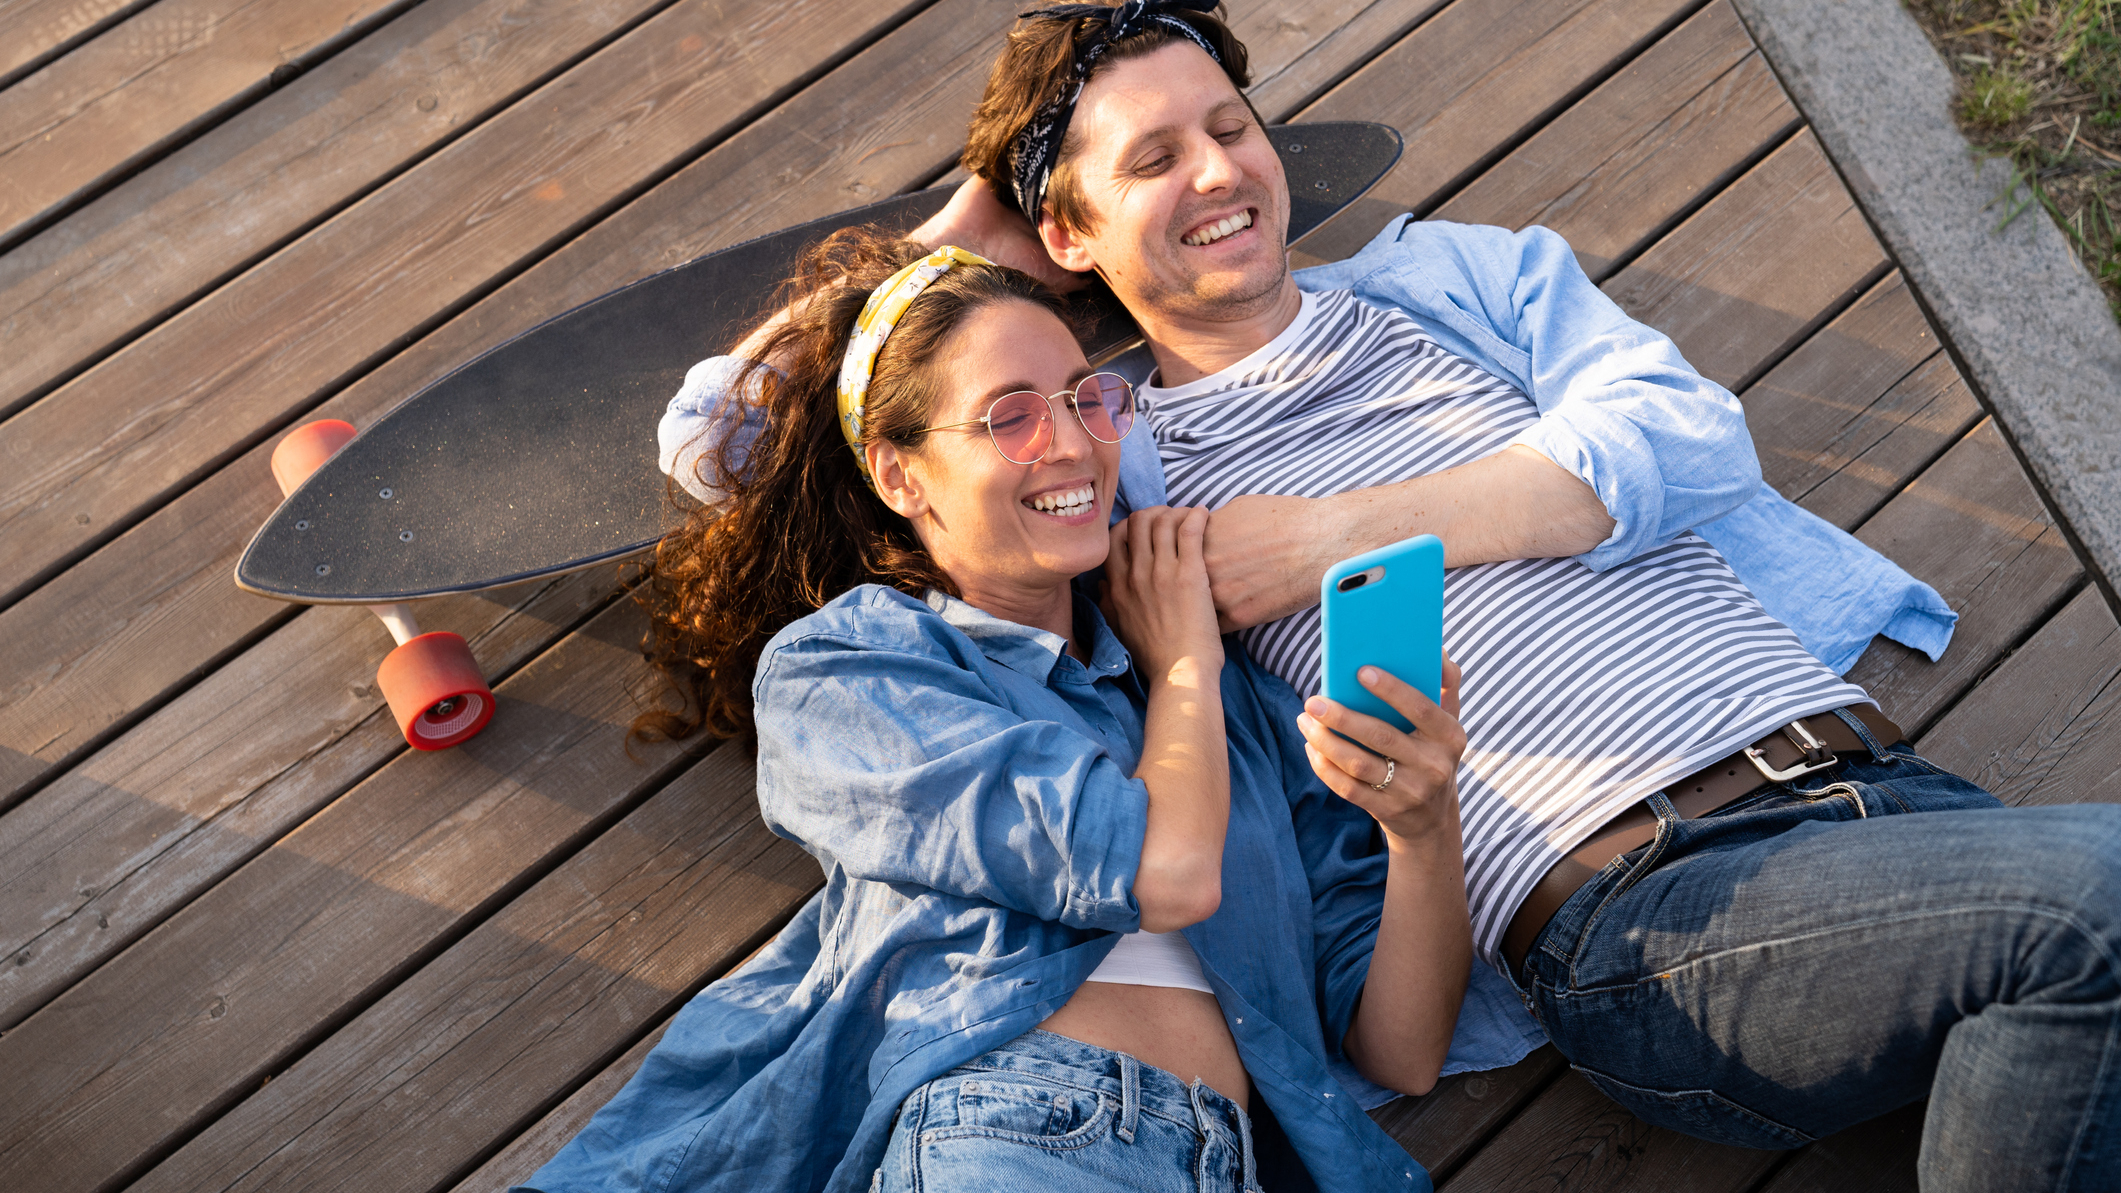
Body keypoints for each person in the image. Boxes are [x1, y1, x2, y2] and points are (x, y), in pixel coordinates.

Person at [661, 4, 2121, 1186]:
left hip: (1877, 790)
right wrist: (963, 230)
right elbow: (721, 443)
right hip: (1652, 899)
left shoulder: (1455, 282)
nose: (1221, 172)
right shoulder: (1117, 457)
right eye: (1152, 160)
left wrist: (1332, 538)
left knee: (2085, 990)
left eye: (1231, 128)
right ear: (1065, 232)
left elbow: (1681, 437)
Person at [524, 229, 1483, 1193]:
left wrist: (1420, 822)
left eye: (1084, 398)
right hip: (1021, 1132)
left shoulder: (1230, 710)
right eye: (1008, 417)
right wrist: (1185, 652)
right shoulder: (852, 668)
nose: (1069, 441)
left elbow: (1401, 1049)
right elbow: (1165, 875)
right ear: (897, 473)